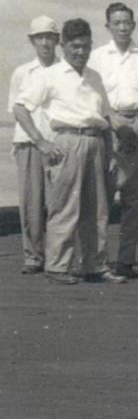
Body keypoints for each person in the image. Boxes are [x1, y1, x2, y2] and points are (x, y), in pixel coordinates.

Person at [13, 18, 124, 285]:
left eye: (85, 46)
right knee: (64, 207)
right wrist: (41, 142)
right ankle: (58, 266)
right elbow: (20, 108)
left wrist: (111, 154)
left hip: (96, 142)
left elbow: (105, 116)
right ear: (63, 45)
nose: (80, 52)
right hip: (67, 141)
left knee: (97, 209)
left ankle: (94, 265)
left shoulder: (95, 76)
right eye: (74, 46)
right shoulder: (49, 76)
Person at [90, 2, 138, 278]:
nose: (122, 27)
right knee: (103, 198)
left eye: (127, 22)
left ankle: (126, 260)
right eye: (116, 22)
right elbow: (93, 95)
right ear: (107, 26)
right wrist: (112, 119)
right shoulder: (97, 57)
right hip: (108, 129)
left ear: (134, 25)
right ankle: (100, 261)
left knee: (134, 199)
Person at [7, 16, 59, 275]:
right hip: (28, 142)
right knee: (31, 203)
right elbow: (17, 110)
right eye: (40, 37)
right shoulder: (21, 73)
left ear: (57, 39)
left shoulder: (65, 70)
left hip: (57, 144)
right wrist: (36, 140)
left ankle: (56, 256)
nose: (45, 42)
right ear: (32, 41)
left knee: (57, 201)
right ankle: (32, 256)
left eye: (49, 36)